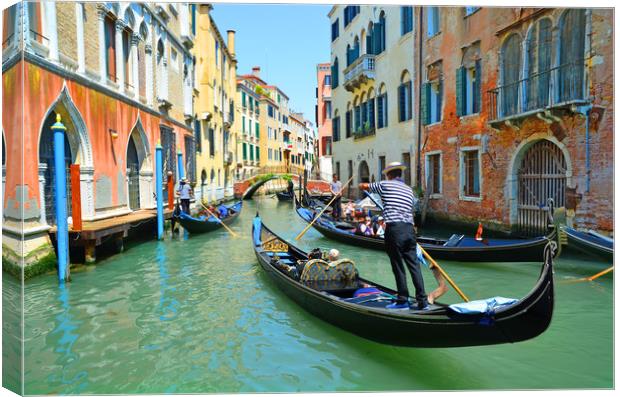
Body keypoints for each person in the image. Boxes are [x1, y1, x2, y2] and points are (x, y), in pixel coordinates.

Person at [359, 161, 429, 310]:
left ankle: (403, 300)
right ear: (400, 174)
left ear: (390, 174)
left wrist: (361, 185)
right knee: (414, 266)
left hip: (395, 229)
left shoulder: (385, 184)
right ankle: (423, 301)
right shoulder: (409, 190)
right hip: (410, 230)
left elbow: (366, 186)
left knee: (398, 266)